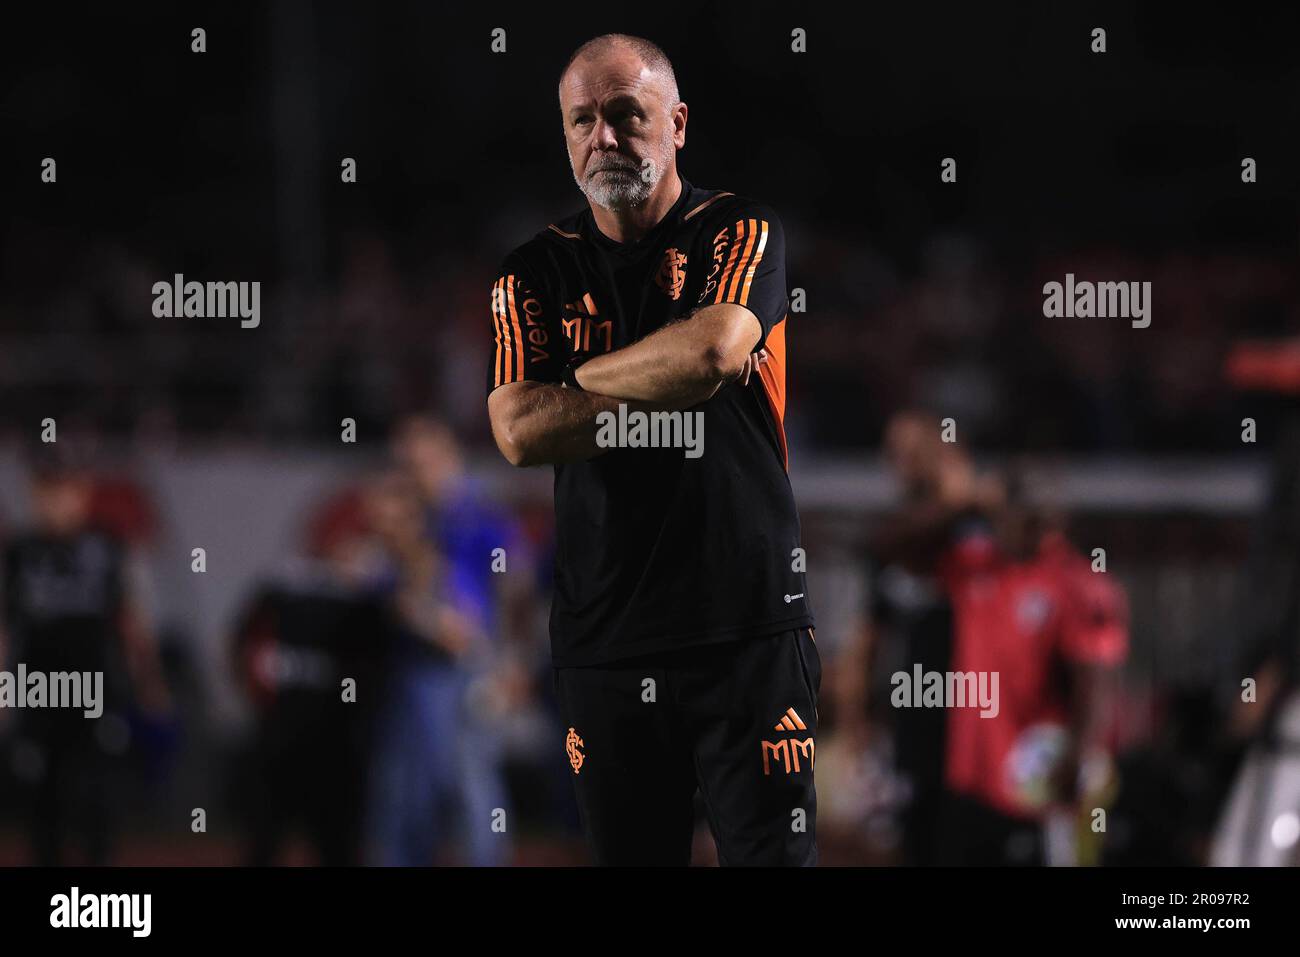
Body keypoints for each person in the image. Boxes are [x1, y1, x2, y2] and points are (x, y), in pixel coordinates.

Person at [485, 33, 817, 865]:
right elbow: (520, 430)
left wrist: (580, 377)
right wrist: (656, 375)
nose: (604, 137)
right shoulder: (531, 272)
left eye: (627, 114)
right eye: (582, 120)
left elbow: (710, 354)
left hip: (746, 626)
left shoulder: (739, 229)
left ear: (676, 123)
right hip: (607, 638)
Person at [1, 448, 169, 865]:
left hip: (96, 688)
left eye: (66, 491)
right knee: (42, 799)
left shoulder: (107, 547)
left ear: (84, 493)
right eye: (46, 492)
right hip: (36, 689)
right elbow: (4, 626)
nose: (56, 503)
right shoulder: (19, 553)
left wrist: (149, 681)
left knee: (96, 797)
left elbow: (130, 619)